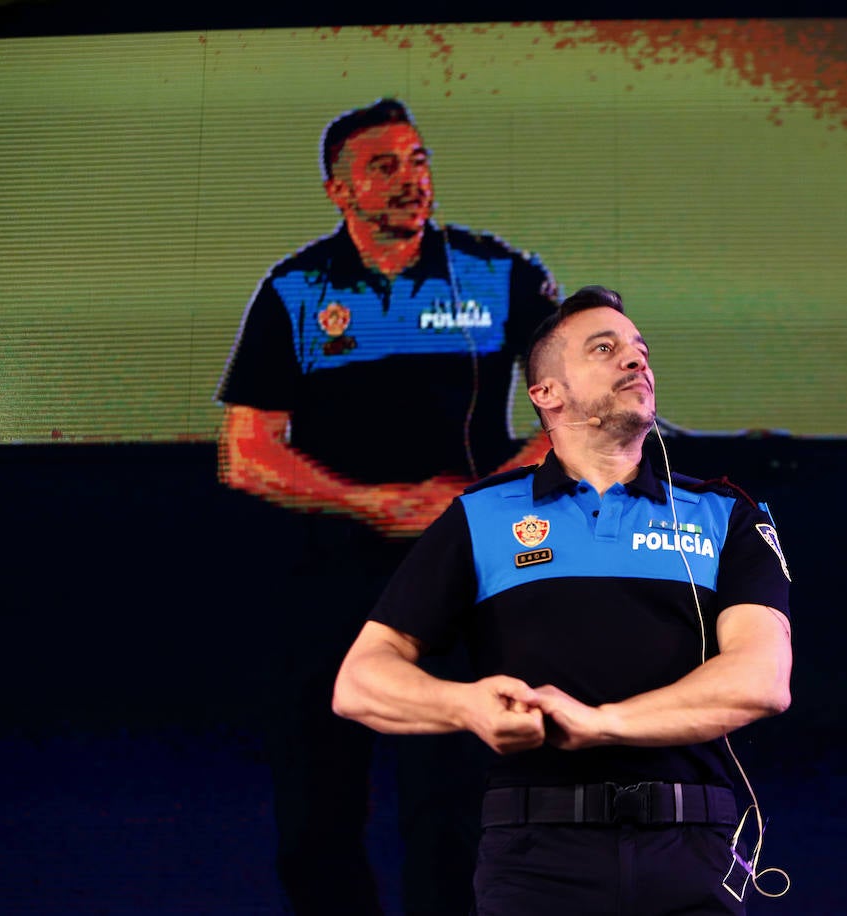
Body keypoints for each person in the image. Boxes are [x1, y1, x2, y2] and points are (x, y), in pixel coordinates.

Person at [333, 285, 794, 915]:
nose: (637, 361)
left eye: (640, 350)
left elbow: (763, 679)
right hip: (536, 857)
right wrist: (465, 704)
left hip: (693, 852)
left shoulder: (724, 513)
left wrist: (602, 722)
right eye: (605, 349)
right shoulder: (483, 514)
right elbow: (359, 681)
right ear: (546, 393)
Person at [216, 98, 558, 914]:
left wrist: (477, 499)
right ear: (340, 191)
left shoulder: (497, 274)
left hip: (464, 571)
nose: (411, 182)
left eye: (419, 162)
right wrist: (368, 502)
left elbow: (573, 413)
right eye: (384, 167)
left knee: (452, 804)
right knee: (317, 803)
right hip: (328, 576)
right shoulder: (296, 289)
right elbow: (246, 450)